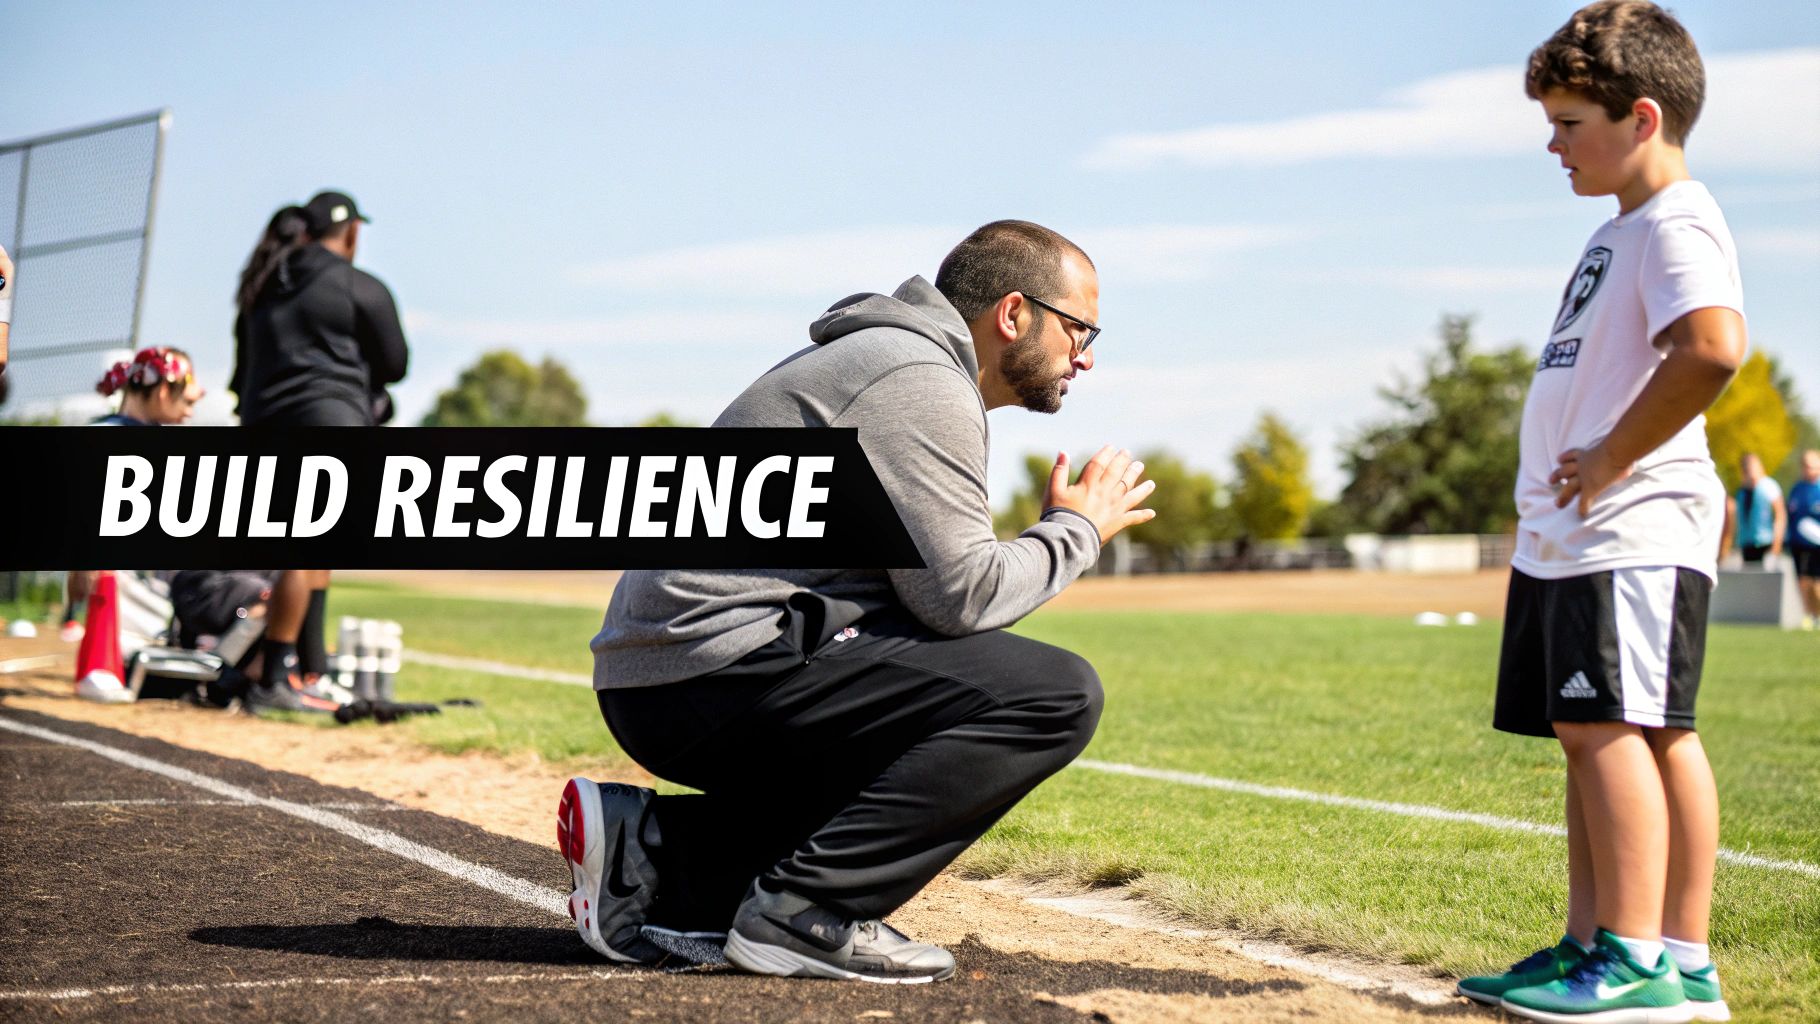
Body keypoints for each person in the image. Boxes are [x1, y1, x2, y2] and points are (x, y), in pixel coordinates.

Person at [560, 221, 1154, 982]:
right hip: (715, 667)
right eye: (1080, 328)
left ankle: (659, 852)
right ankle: (804, 915)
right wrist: (1077, 530)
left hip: (680, 669)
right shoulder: (919, 379)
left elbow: (927, 599)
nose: (1088, 355)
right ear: (1014, 314)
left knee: (939, 687)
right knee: (1051, 695)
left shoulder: (889, 362)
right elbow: (964, 598)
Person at [1457, 5, 1745, 1021]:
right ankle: (1600, 946)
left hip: (1627, 527)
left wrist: (1612, 455)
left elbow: (1709, 346)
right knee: (1599, 731)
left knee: (1618, 728)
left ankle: (1643, 959)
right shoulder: (1616, 228)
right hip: (1571, 534)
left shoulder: (1675, 218)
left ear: (1641, 118)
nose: (1551, 143)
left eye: (1568, 121)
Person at [231, 192, 408, 714]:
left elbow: (243, 371)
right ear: (351, 233)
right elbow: (394, 363)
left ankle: (311, 666)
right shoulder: (358, 284)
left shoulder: (261, 287)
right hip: (330, 420)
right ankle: (276, 677)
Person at [1723, 452, 1785, 567]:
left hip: (1765, 542)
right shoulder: (1741, 490)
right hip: (1746, 542)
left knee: (1766, 581)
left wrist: (1777, 544)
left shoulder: (1768, 486)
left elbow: (1780, 515)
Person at [1788, 449, 1820, 630]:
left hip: (1817, 544)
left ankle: (1817, 614)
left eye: (1812, 466)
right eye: (1805, 466)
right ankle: (1808, 615)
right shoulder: (1797, 489)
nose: (1808, 470)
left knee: (1817, 581)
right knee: (1803, 580)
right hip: (1799, 543)